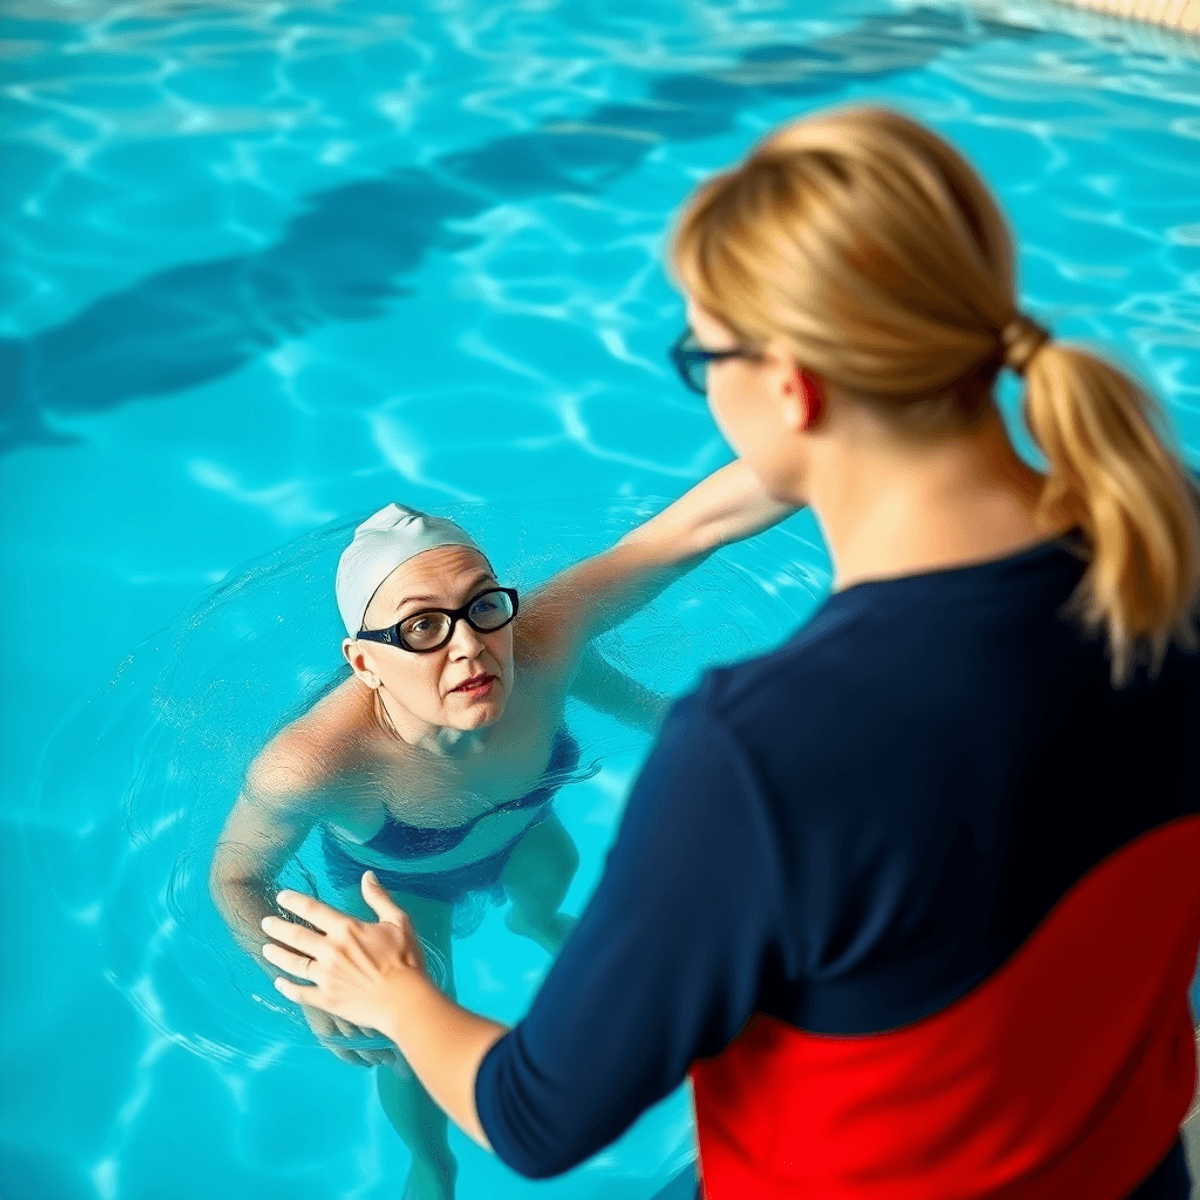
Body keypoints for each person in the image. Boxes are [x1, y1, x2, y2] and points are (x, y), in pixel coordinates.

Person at [256, 105, 1200, 1199]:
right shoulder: (1162, 563)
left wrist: (393, 993)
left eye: (699, 354)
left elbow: (535, 1115)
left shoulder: (767, 750)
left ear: (793, 389)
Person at [209, 475, 794, 1200]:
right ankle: (431, 1163)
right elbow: (235, 874)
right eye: (422, 627)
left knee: (554, 874)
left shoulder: (542, 642)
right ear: (364, 661)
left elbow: (683, 534)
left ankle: (539, 923)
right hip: (405, 886)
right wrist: (291, 968)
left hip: (530, 831)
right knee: (407, 1035)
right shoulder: (314, 765)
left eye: (483, 605)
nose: (472, 648)